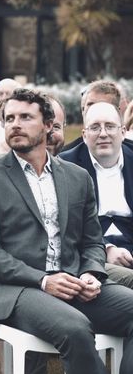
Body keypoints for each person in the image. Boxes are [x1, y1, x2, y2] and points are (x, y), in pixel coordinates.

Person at [0, 88, 133, 374]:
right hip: (15, 291)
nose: (15, 124)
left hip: (73, 283)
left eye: (25, 117)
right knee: (75, 328)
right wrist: (44, 280)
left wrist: (91, 273)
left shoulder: (76, 176)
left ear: (47, 124)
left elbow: (93, 241)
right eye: (9, 118)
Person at [60, 102, 133, 289]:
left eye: (110, 126)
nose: (103, 134)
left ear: (123, 131)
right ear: (84, 135)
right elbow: (69, 223)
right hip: (92, 248)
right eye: (95, 127)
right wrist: (106, 248)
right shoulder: (66, 165)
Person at [62, 80, 133, 152]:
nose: (94, 110)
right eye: (90, 105)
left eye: (102, 105)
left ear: (117, 111)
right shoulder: (64, 158)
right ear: (83, 110)